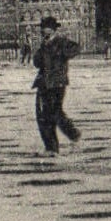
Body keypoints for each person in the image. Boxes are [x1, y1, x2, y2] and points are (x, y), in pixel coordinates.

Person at [31, 15, 81, 155]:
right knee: (42, 115)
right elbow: (37, 63)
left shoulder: (61, 42)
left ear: (52, 29)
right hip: (43, 83)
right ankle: (52, 147)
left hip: (57, 83)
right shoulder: (44, 44)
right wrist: (40, 52)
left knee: (55, 112)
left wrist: (61, 54)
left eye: (45, 28)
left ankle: (71, 135)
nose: (42, 30)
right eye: (42, 28)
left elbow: (75, 48)